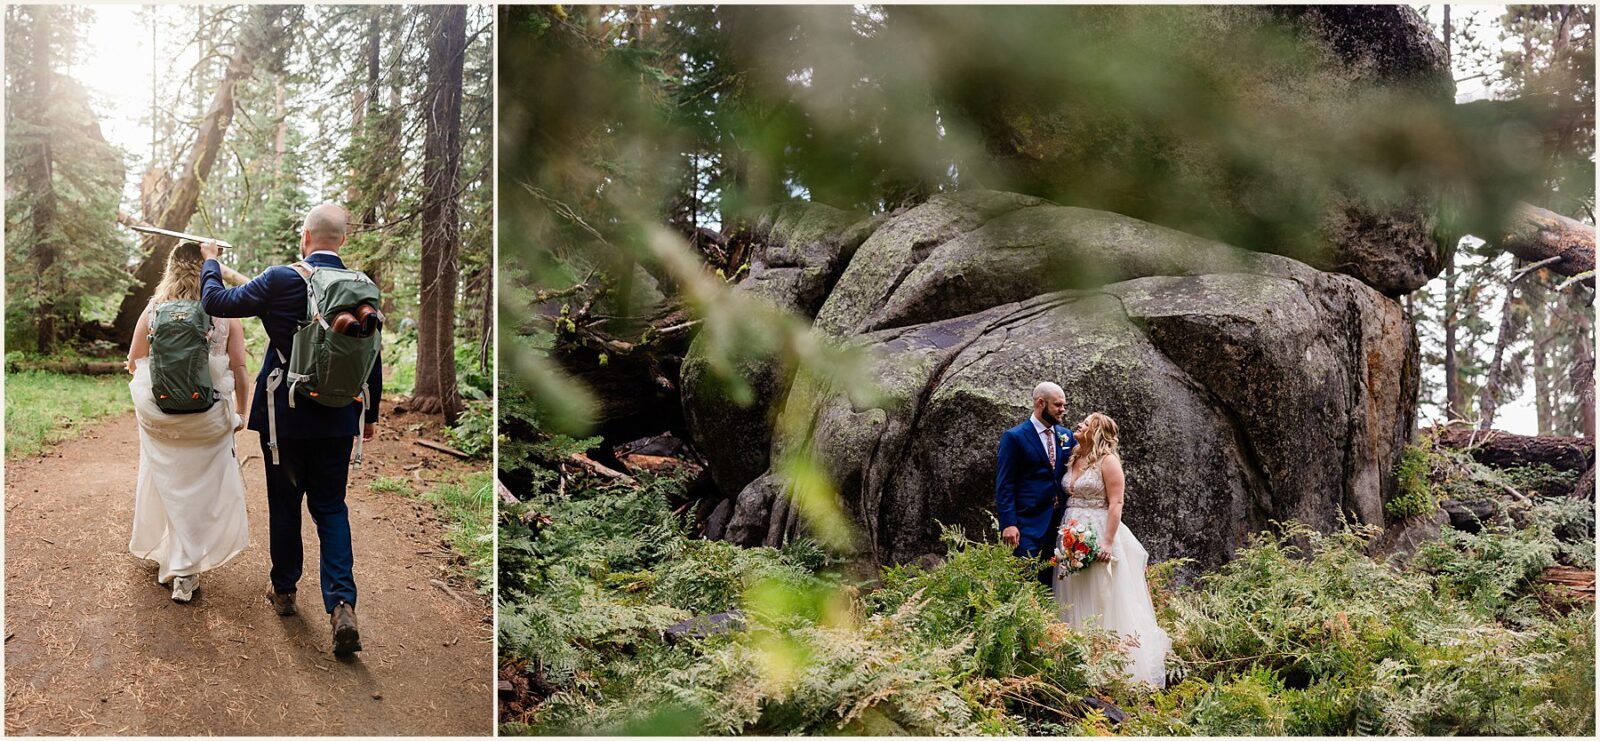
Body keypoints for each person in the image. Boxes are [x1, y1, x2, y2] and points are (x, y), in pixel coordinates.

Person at [199, 203, 382, 655]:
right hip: (339, 416)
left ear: (305, 237)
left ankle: (284, 590)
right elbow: (370, 355)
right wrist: (370, 414)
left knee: (285, 504)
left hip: (286, 418)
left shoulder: (280, 279)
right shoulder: (361, 287)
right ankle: (342, 604)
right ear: (342, 240)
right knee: (331, 508)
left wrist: (210, 261)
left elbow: (215, 302)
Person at [126, 241, 251, 603]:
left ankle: (174, 559)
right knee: (201, 492)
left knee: (169, 483)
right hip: (209, 417)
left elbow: (134, 362)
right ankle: (186, 568)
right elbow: (240, 369)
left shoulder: (155, 308)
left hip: (161, 417)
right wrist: (241, 413)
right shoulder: (224, 312)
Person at [1054, 412, 1170, 687]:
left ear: (1096, 432)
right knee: (1073, 590)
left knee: (1100, 592)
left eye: (1086, 423)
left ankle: (1111, 664)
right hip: (1069, 531)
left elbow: (1116, 502)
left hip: (1097, 531)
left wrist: (1106, 542)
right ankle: (1076, 658)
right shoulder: (1073, 457)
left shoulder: (1108, 461)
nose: (1079, 424)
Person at [995, 381, 1077, 584]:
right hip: (1026, 524)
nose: (1062, 410)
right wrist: (1009, 523)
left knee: (1051, 583)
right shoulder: (1014, 437)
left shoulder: (1066, 436)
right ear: (1041, 403)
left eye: (1064, 405)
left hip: (1058, 525)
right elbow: (1005, 483)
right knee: (1025, 580)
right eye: (1057, 405)